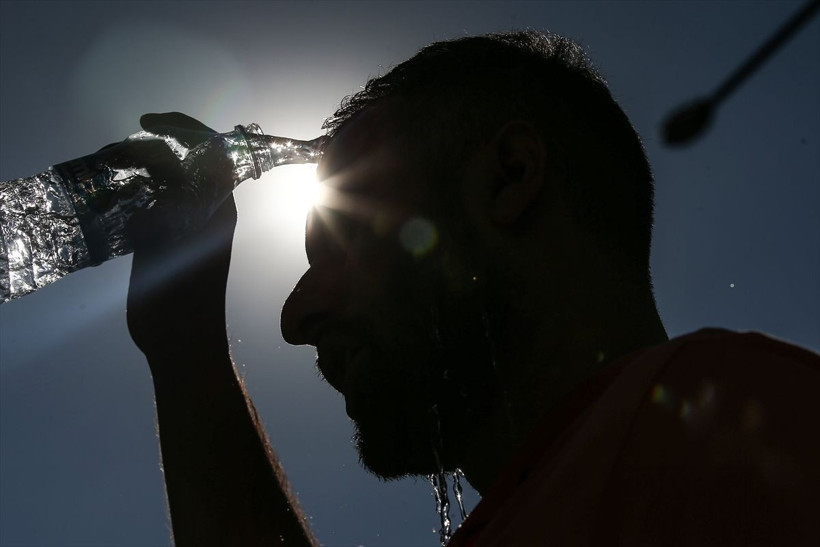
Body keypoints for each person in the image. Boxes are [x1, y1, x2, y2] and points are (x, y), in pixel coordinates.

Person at [126, 31, 820, 546]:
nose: (295, 315)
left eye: (347, 241)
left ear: (508, 177)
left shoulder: (745, 435)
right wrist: (186, 349)